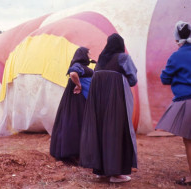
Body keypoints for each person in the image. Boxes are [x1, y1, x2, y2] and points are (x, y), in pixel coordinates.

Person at [79, 33, 138, 183]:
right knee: (116, 130)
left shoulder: (101, 60)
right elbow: (132, 79)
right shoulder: (123, 57)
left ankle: (101, 171)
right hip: (116, 99)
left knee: (100, 130)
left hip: (98, 102)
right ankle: (116, 173)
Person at [155, 21, 191, 186]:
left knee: (189, 140)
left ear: (178, 38)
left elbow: (165, 78)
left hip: (187, 100)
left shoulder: (177, 56)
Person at [50, 46, 96, 162]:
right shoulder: (77, 65)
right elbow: (73, 73)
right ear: (83, 55)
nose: (89, 56)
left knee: (78, 123)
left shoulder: (83, 66)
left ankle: (79, 152)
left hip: (82, 98)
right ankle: (74, 153)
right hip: (77, 99)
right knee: (76, 124)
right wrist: (78, 85)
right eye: (88, 54)